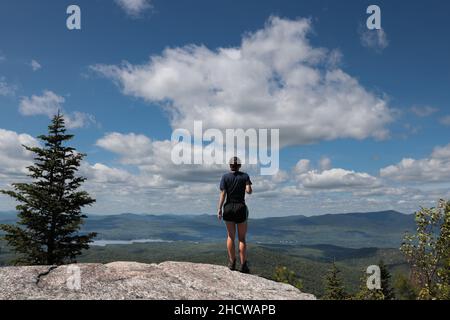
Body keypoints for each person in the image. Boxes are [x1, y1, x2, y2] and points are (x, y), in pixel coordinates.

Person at [217, 156, 253, 273]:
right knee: (242, 238)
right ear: (240, 166)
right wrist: (247, 186)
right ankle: (243, 265)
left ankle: (232, 262)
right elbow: (249, 191)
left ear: (230, 165)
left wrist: (219, 209)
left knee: (230, 236)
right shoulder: (245, 176)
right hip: (241, 207)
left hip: (228, 208)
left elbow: (223, 193)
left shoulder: (225, 177)